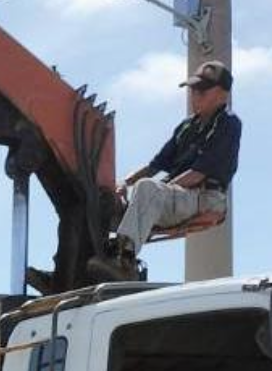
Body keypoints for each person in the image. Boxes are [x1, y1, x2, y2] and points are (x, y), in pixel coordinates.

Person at [89, 59, 241, 282]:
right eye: (193, 90)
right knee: (105, 201)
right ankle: (89, 259)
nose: (194, 95)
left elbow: (199, 173)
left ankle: (123, 260)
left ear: (221, 94)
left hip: (205, 197)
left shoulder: (228, 124)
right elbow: (155, 165)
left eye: (202, 90)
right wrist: (124, 184)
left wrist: (155, 192)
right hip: (176, 196)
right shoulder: (186, 126)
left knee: (148, 190)